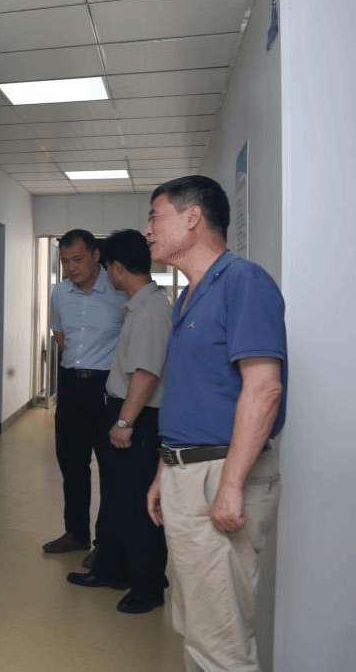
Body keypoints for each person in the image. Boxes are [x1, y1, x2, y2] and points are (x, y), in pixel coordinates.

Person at [145, 176, 287, 671]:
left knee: (219, 641)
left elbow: (264, 389)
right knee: (197, 624)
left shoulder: (243, 281)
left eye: (155, 216)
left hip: (221, 474)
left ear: (192, 217)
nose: (148, 229)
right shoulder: (189, 296)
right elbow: (194, 395)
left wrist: (230, 486)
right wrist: (165, 470)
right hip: (187, 471)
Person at [65, 230, 169, 614]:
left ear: (117, 268)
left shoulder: (151, 311)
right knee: (118, 498)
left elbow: (146, 373)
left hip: (137, 417)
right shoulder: (139, 306)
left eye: (108, 266)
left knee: (139, 504)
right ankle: (112, 569)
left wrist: (124, 423)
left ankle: (147, 585)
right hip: (125, 411)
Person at [42, 230, 126, 562]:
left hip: (106, 387)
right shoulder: (60, 293)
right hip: (70, 385)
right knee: (71, 461)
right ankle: (76, 533)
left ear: (95, 255)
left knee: (109, 466)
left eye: (77, 259)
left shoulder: (119, 291)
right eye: (64, 261)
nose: (71, 268)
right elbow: (60, 335)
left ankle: (105, 541)